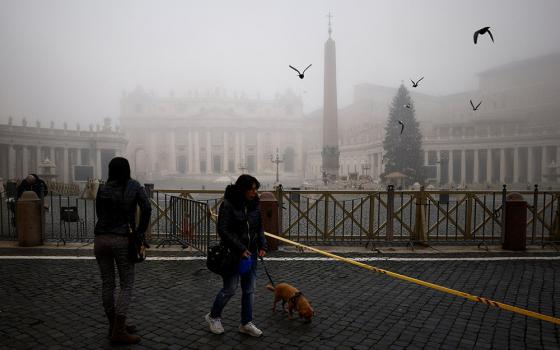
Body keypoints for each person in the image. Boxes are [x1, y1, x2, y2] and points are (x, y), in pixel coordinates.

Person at [94, 157, 152, 344]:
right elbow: (147, 207)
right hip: (122, 240)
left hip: (101, 239)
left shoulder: (102, 187)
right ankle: (118, 331)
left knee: (107, 283)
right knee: (126, 284)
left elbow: (99, 212)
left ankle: (113, 325)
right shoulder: (134, 185)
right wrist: (140, 233)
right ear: (127, 169)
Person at [206, 174, 268, 337]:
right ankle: (213, 316)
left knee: (249, 290)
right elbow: (223, 230)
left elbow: (259, 227)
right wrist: (240, 248)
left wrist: (262, 244)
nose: (255, 192)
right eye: (252, 189)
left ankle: (246, 323)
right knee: (230, 289)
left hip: (252, 253)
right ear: (242, 189)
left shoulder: (255, 203)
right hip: (234, 254)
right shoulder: (228, 204)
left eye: (256, 189)